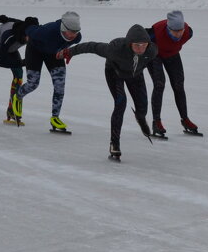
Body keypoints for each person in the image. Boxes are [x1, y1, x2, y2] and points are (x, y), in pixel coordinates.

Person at [64, 24, 158, 161]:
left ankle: (140, 116)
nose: (141, 49)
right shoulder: (115, 48)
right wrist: (70, 51)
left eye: (144, 45)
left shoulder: (152, 50)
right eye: (137, 45)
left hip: (135, 75)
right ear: (129, 43)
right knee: (121, 103)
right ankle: (115, 143)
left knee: (143, 106)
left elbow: (151, 65)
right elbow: (93, 46)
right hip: (115, 73)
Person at [11, 11, 81, 133]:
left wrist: (67, 52)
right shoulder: (46, 31)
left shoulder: (77, 38)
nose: (73, 35)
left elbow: (70, 43)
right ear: (64, 28)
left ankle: (55, 117)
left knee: (60, 86)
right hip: (35, 50)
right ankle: (17, 96)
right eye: (71, 32)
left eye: (76, 32)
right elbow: (28, 28)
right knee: (33, 83)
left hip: (54, 54)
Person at [145, 10, 200, 135]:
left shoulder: (188, 32)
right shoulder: (154, 32)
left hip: (172, 54)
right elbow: (139, 39)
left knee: (179, 85)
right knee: (159, 84)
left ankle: (185, 119)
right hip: (154, 54)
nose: (178, 34)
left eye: (180, 31)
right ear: (168, 28)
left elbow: (181, 37)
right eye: (174, 31)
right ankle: (156, 122)